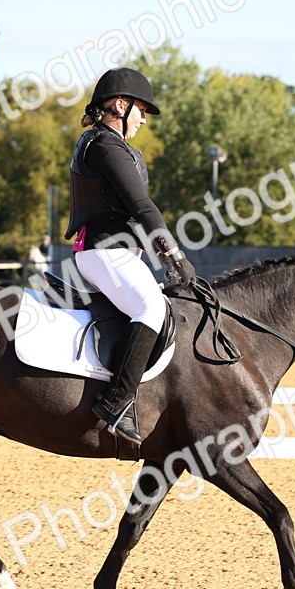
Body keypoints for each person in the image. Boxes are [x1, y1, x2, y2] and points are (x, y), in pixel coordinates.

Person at [66, 67, 195, 445]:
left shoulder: (111, 145)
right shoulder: (103, 144)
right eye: (140, 110)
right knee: (151, 310)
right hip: (105, 252)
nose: (142, 119)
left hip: (118, 253)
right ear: (120, 105)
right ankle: (114, 404)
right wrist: (171, 252)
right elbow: (141, 205)